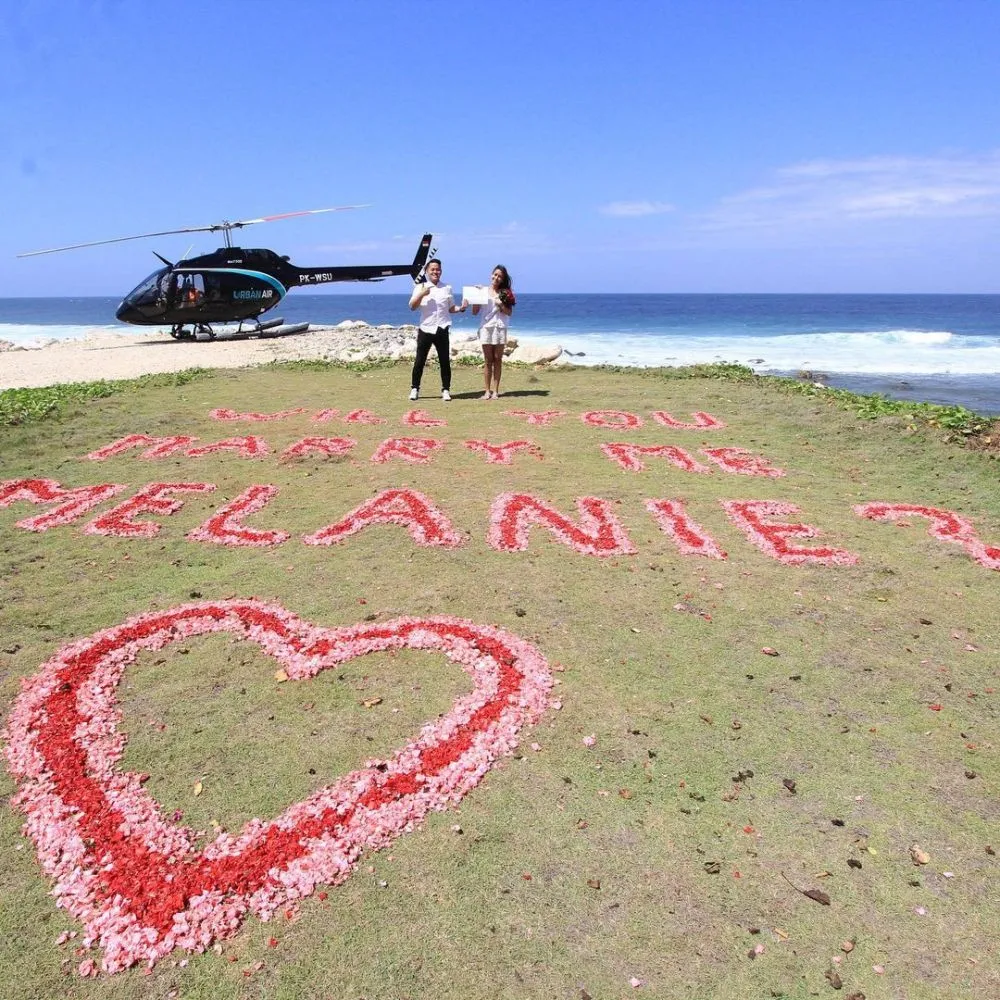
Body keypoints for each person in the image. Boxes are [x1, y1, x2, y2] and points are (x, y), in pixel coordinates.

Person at [408, 258, 466, 401]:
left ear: (441, 271)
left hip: (442, 327)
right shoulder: (420, 287)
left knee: (444, 361)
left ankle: (446, 389)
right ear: (427, 271)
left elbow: (451, 308)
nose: (435, 272)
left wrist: (461, 308)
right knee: (420, 360)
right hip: (426, 328)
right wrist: (422, 294)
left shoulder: (447, 288)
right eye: (432, 269)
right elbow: (412, 306)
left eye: (438, 269)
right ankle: (415, 388)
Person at [470, 265, 515, 399]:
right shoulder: (482, 290)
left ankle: (496, 391)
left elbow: (509, 312)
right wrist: (476, 297)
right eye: (495, 274)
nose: (496, 278)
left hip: (500, 327)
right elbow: (474, 312)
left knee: (498, 359)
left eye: (499, 276)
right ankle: (487, 391)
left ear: (503, 279)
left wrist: (500, 304)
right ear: (491, 275)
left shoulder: (506, 293)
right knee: (488, 360)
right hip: (486, 327)